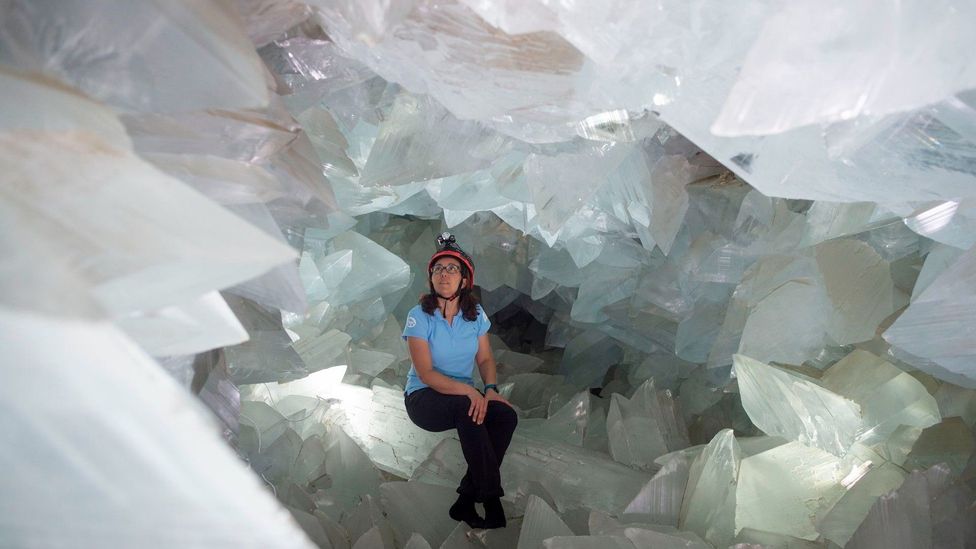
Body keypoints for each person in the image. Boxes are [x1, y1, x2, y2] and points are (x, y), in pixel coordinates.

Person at [402, 233, 518, 529]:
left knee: (504, 416)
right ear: (431, 277)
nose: (444, 274)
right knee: (467, 408)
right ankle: (491, 499)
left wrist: (490, 390)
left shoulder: (475, 314)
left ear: (464, 280)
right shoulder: (419, 317)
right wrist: (470, 391)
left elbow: (485, 359)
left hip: (462, 395)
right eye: (438, 269)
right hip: (424, 397)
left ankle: (465, 500)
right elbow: (426, 373)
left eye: (452, 269)